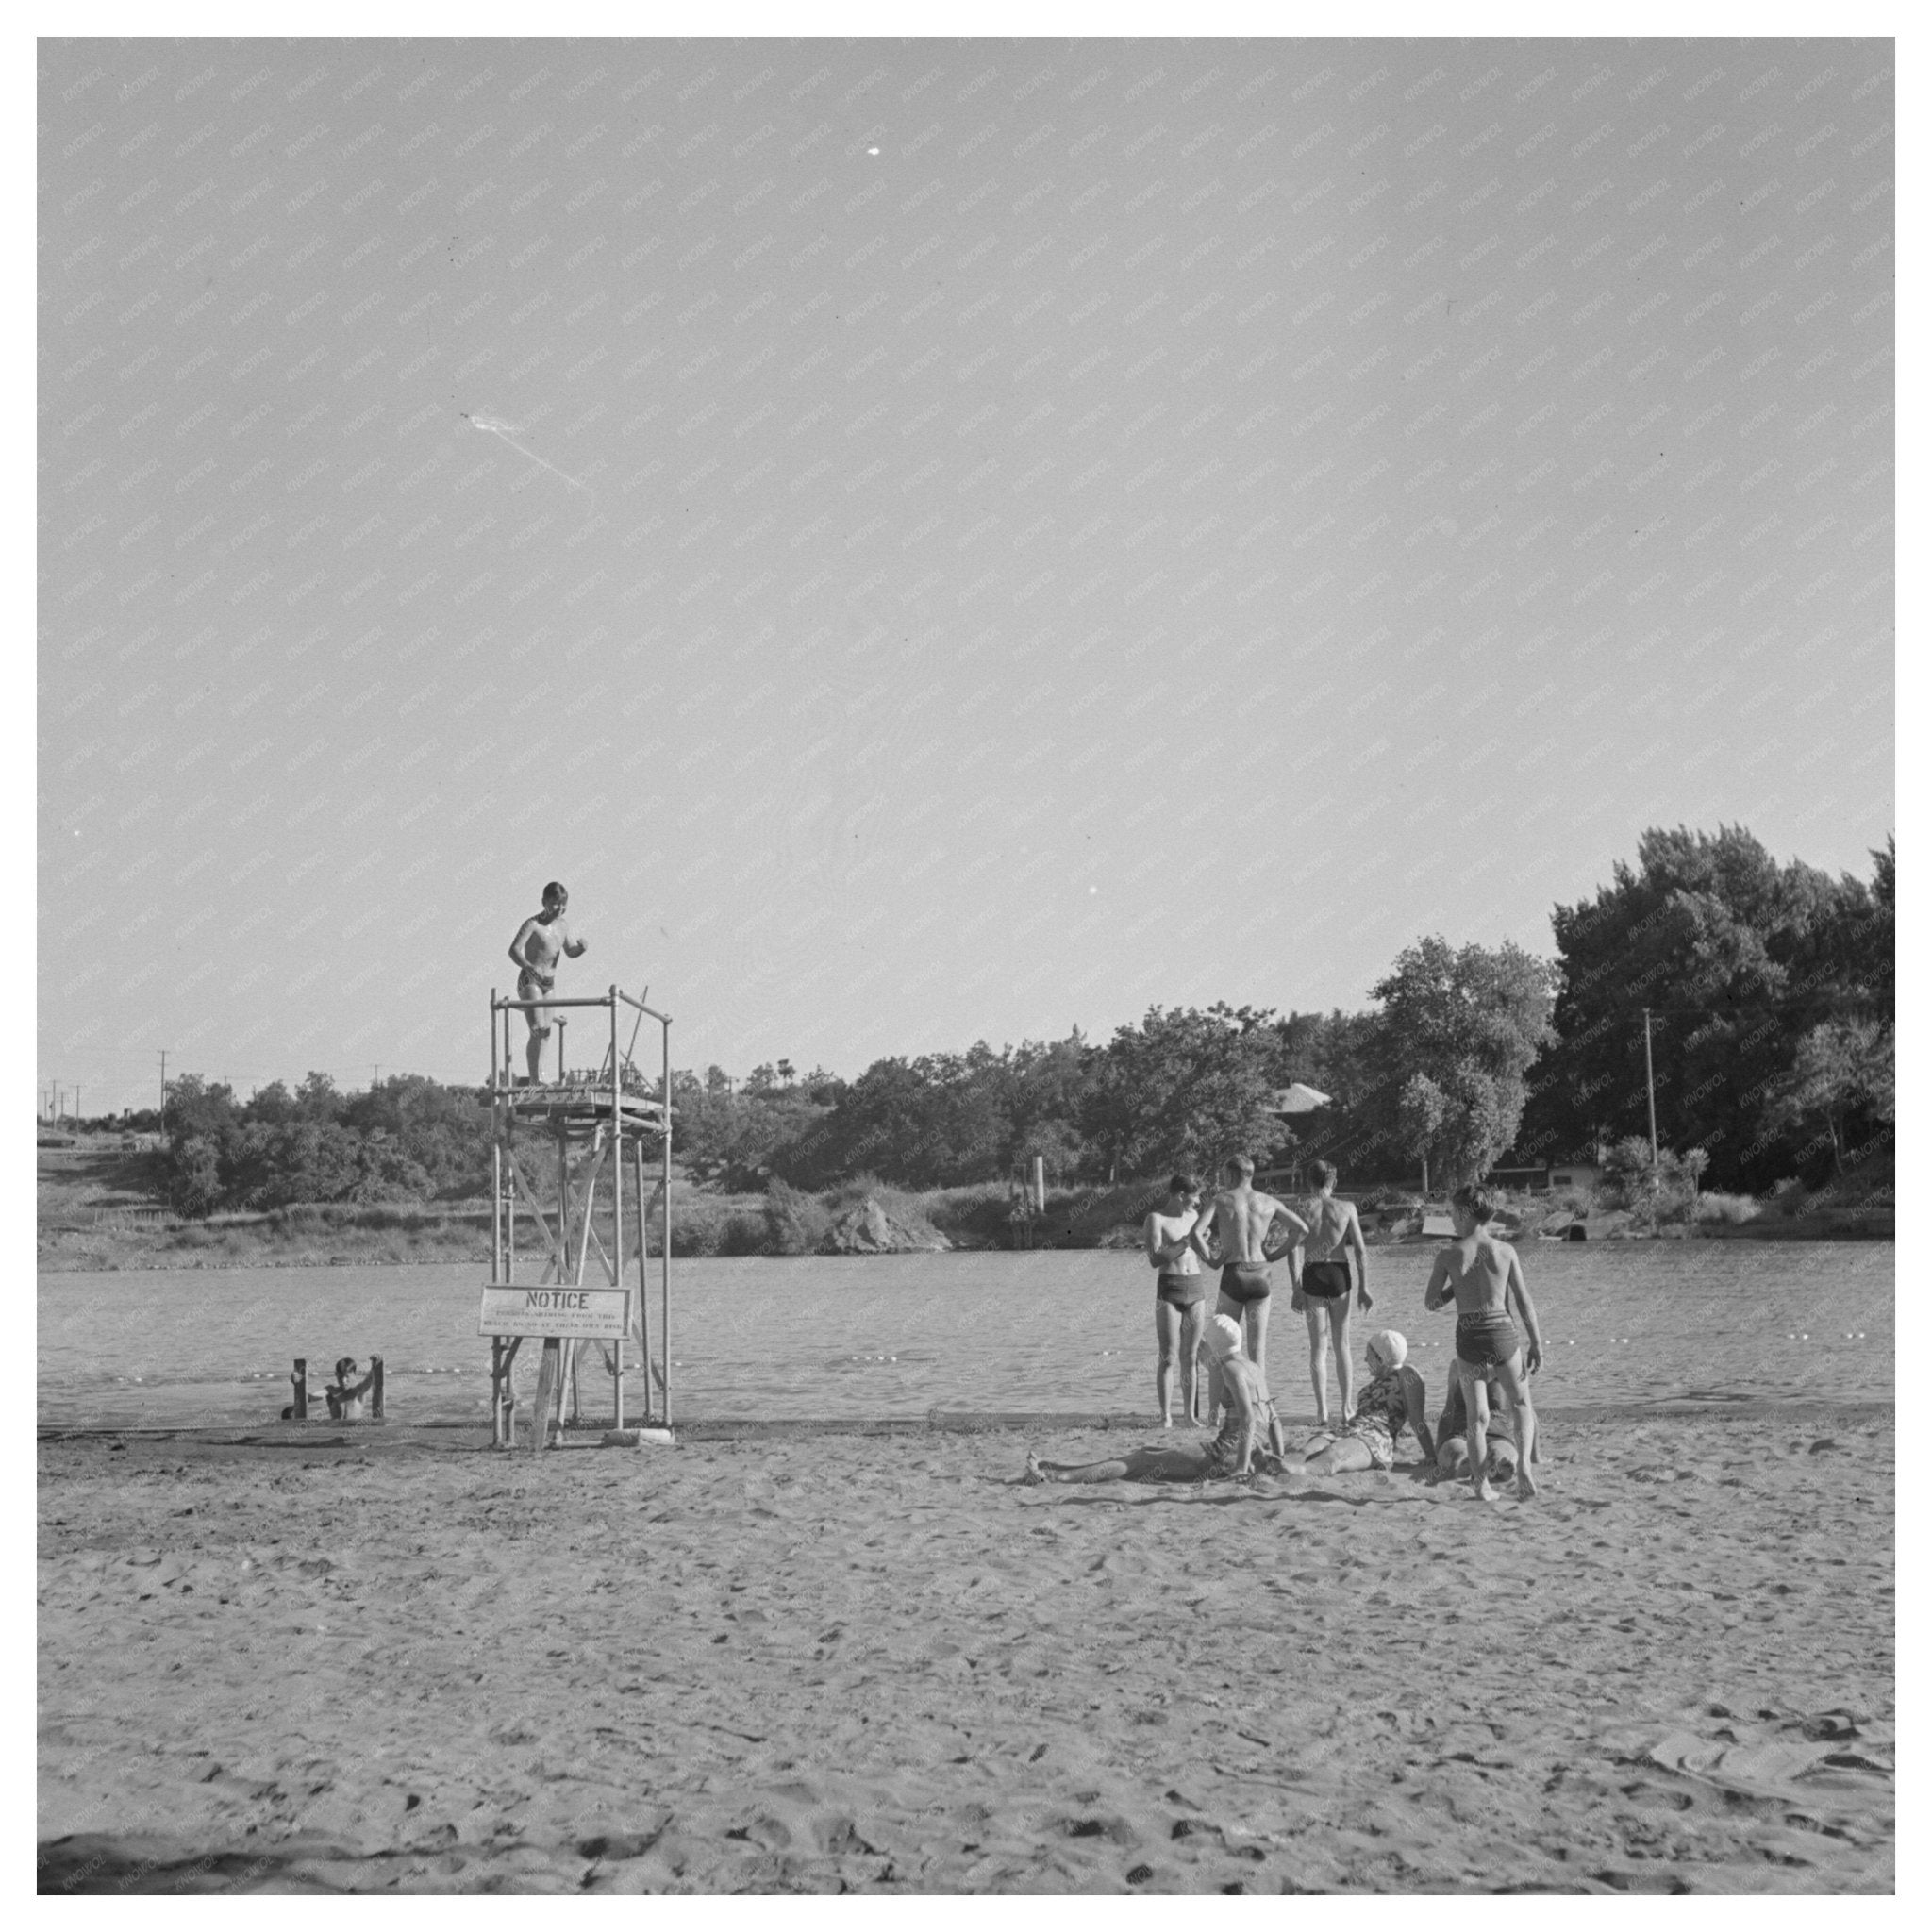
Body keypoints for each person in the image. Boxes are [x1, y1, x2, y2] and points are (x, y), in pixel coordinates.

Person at [1023, 1314, 1283, 1484]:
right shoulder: (1252, 1368)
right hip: (1245, 1452)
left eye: (1205, 1342)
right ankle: (1061, 1468)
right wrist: (1279, 1458)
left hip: (1223, 1456)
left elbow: (1248, 1418)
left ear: (1214, 1343)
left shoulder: (1230, 1370)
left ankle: (1056, 1477)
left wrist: (1241, 1467)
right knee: (1148, 1454)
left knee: (1139, 1461)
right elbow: (1272, 1417)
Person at [1423, 1182, 1543, 1501]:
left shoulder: (1449, 1254)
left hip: (1470, 1336)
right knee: (1520, 1404)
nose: (1449, 1218)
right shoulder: (1506, 1251)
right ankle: (1525, 1471)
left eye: (1452, 1212)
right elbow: (1524, 1301)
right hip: (1502, 1332)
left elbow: (1431, 1303)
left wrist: (1457, 1286)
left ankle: (1482, 1486)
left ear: (1464, 1214)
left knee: (1477, 1418)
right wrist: (1536, 1343)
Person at [1192, 1154, 1309, 1400]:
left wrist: (1212, 1260)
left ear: (1231, 1175)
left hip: (1234, 1273)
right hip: (1261, 1274)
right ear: (1251, 1175)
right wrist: (1276, 1254)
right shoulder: (1269, 1201)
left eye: (1224, 1175)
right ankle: (1261, 1403)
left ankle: (1220, 1409)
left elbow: (1195, 1233)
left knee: (1219, 1345)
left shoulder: (1221, 1199)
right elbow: (1301, 1230)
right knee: (1258, 1349)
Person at [1271, 1330, 1432, 1475]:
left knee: (1335, 1454)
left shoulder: (1406, 1374)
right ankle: (1276, 1467)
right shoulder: (1369, 1386)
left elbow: (1417, 1419)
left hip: (1376, 1438)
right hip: (1348, 1429)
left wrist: (1430, 1455)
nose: (1365, 1359)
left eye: (1369, 1355)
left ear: (1381, 1357)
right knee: (1307, 1449)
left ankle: (1300, 1471)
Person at [1293, 1158, 1374, 1427]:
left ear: (1309, 1181)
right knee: (1342, 1345)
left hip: (1313, 1273)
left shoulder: (1303, 1207)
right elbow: (1360, 1250)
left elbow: (1293, 1248)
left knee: (1318, 1347)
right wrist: (1363, 1287)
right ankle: (1347, 1407)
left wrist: (1296, 1286)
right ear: (1334, 1182)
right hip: (1339, 1273)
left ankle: (1321, 1411)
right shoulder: (1347, 1207)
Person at [1143, 1173, 1208, 1427]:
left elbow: (1201, 1252)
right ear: (1181, 1195)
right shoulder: (1155, 1219)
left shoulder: (1195, 1218)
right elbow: (1155, 1259)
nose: (1198, 1202)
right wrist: (1185, 1242)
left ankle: (1190, 1417)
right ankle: (1165, 1416)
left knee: (1190, 1357)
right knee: (1168, 1357)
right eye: (1196, 1196)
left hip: (1196, 1287)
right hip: (1169, 1288)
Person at [507, 881, 588, 1084]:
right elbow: (514, 950)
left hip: (549, 983)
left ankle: (540, 1075)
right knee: (537, 1029)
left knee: (546, 1032)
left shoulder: (562, 925)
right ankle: (536, 1078)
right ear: (544, 902)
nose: (559, 909)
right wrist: (526, 965)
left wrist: (581, 949)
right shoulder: (532, 924)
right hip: (530, 980)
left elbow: (569, 951)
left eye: (563, 904)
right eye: (554, 904)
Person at [1433, 1368, 1533, 1483]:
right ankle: (1465, 1467)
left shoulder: (1507, 1363)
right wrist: (1437, 1448)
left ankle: (1493, 1465)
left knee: (1498, 1453)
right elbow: (1449, 1409)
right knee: (1460, 1453)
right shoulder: (1457, 1365)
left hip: (1497, 1434)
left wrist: (1534, 1454)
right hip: (1461, 1433)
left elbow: (1525, 1409)